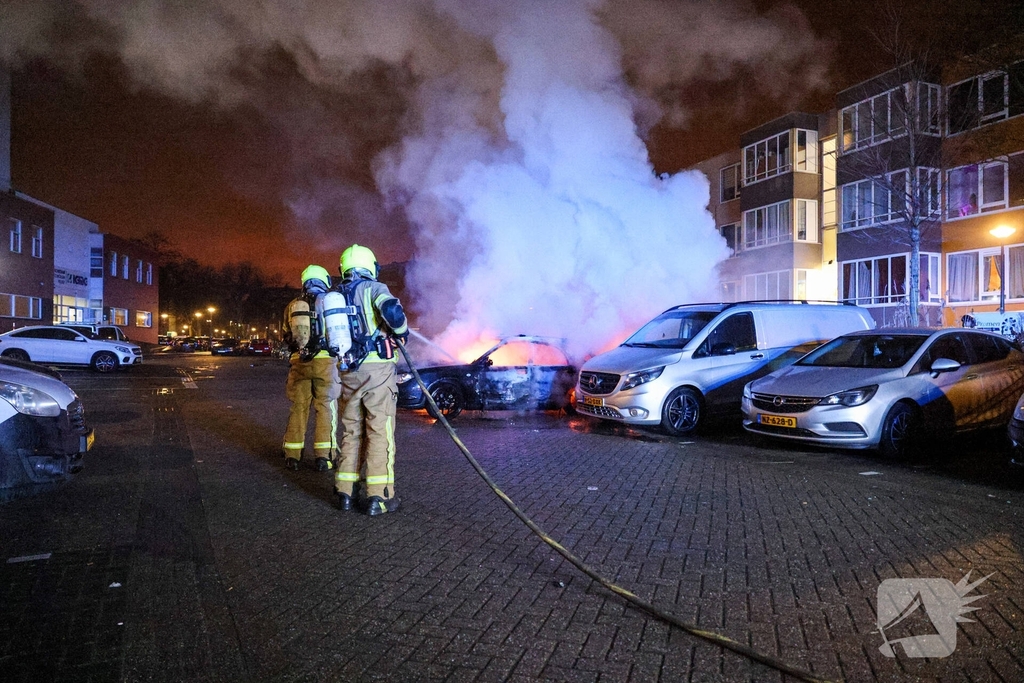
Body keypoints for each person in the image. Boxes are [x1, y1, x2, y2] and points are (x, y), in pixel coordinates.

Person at [333, 244, 408, 516]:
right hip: (377, 373)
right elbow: (392, 311)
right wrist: (402, 331)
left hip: (348, 372)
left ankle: (345, 492)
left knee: (352, 432)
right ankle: (380, 496)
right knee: (379, 431)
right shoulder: (374, 288)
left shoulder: (337, 296)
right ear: (371, 267)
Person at [281, 265, 342, 472]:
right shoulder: (331, 301)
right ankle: (324, 456)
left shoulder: (293, 306)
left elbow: (286, 333)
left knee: (298, 407)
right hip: (326, 362)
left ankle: (292, 455)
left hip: (300, 362)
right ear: (324, 280)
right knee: (326, 407)